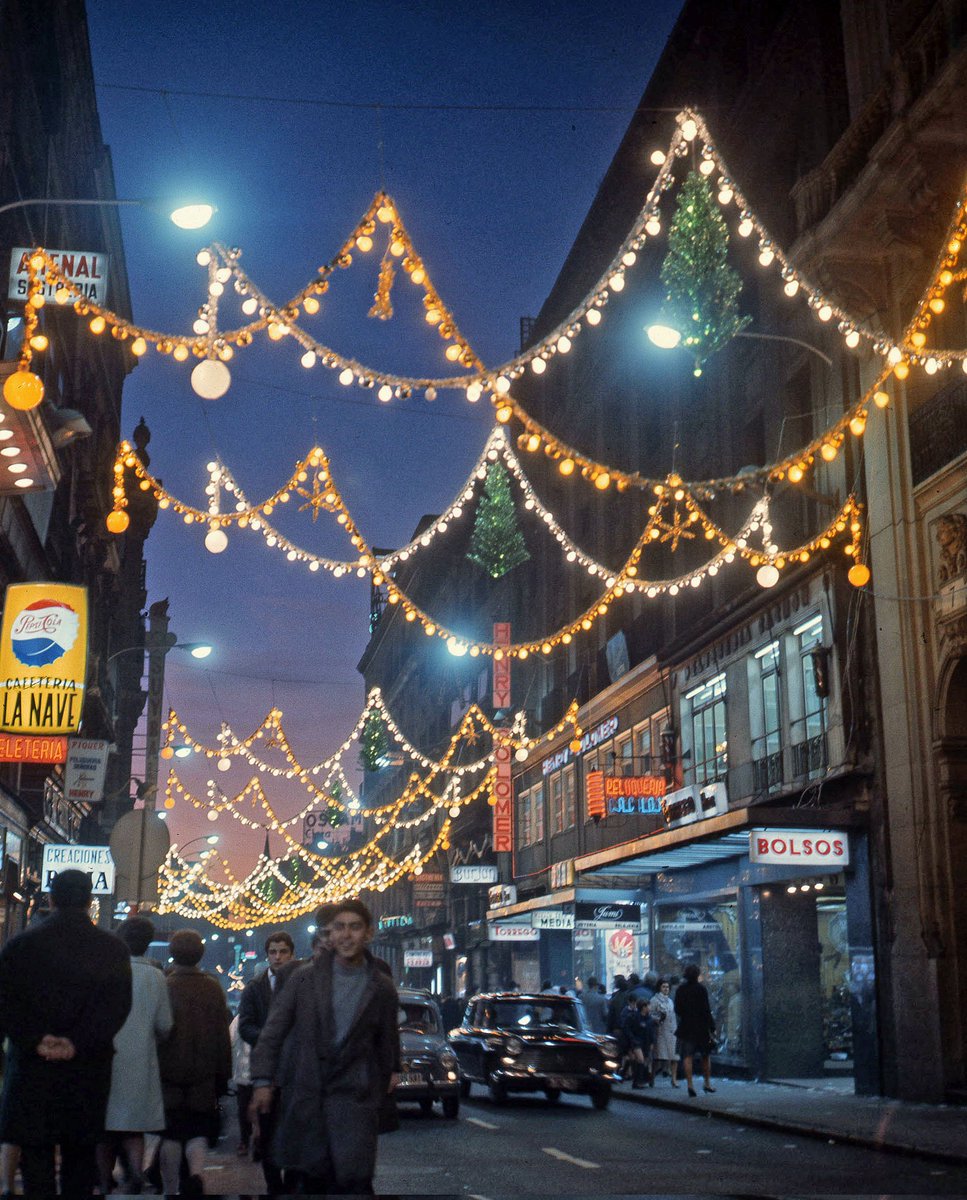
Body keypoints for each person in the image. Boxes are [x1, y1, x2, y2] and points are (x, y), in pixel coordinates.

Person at [250, 899, 399, 1194]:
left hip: (354, 1101)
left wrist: (378, 1087)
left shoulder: (381, 986)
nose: (346, 935)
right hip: (308, 1096)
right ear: (329, 935)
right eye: (339, 928)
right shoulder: (302, 978)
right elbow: (273, 1031)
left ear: (368, 933)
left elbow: (387, 1042)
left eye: (355, 927)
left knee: (353, 1182)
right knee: (312, 1180)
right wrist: (263, 1081)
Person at [0, 869, 132, 1196]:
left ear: (50, 898)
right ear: (89, 900)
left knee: (37, 1159)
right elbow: (116, 1008)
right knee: (80, 1161)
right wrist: (77, 1043)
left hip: (33, 1070)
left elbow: (5, 1003)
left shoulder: (21, 945)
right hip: (86, 1071)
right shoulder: (112, 949)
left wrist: (36, 1040)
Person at [98, 915, 174, 1194]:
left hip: (105, 1059)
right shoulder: (155, 976)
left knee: (104, 1126)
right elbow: (165, 1024)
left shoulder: (104, 971)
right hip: (141, 1059)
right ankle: (135, 1174)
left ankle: (104, 1178)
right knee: (135, 1126)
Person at [158, 930, 232, 1195]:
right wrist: (223, 1076)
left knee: (171, 1133)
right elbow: (222, 1035)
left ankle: (171, 1188)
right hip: (203, 1073)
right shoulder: (212, 987)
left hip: (167, 1072)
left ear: (173, 953)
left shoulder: (165, 985)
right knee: (198, 1130)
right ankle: (196, 1175)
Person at [238, 929, 295, 1192]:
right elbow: (245, 1026)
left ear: (291, 954)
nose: (278, 957)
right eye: (273, 952)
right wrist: (270, 1037)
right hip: (267, 1071)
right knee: (269, 1132)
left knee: (295, 1131)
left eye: (283, 951)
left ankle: (293, 1183)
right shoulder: (255, 988)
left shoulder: (304, 983)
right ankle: (274, 1185)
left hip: (296, 1073)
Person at [674, 962, 716, 1097]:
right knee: (705, 1056)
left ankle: (690, 1085)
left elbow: (677, 1009)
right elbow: (706, 1009)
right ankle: (707, 1083)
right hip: (702, 1028)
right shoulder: (701, 989)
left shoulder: (680, 990)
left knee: (687, 1057)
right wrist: (712, 1026)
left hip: (686, 1027)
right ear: (697, 975)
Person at [650, 977, 679, 1087]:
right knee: (659, 1057)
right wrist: (658, 1018)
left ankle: (674, 1079)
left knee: (674, 1057)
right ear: (659, 988)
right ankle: (651, 1077)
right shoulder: (654, 1000)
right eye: (664, 987)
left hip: (672, 1031)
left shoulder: (670, 1000)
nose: (666, 989)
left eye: (667, 987)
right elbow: (651, 1015)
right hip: (661, 1032)